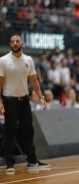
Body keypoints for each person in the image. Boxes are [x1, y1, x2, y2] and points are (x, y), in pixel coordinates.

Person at [0, 34, 50, 173]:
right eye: (12, 42)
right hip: (9, 100)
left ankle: (32, 161)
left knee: (28, 130)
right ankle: (10, 162)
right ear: (10, 44)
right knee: (9, 131)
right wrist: (0, 102)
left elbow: (34, 81)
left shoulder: (28, 60)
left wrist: (40, 97)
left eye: (17, 41)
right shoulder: (3, 60)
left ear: (21, 43)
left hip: (24, 100)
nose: (15, 43)